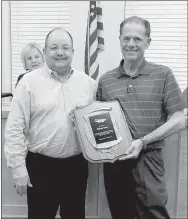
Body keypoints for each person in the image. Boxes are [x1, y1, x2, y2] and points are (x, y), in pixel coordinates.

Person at [96, 16, 186, 219]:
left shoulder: (163, 74)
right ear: (119, 40)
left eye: (137, 39)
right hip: (115, 161)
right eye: (126, 38)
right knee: (120, 214)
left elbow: (179, 120)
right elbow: (99, 121)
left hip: (148, 159)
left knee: (154, 214)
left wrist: (142, 142)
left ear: (148, 42)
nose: (131, 44)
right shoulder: (106, 81)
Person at [4, 28, 97, 219]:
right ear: (45, 52)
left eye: (65, 47)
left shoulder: (88, 84)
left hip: (76, 166)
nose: (60, 52)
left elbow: (96, 123)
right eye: (54, 47)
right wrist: (18, 167)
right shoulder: (28, 83)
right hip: (40, 167)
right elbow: (14, 127)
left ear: (72, 52)